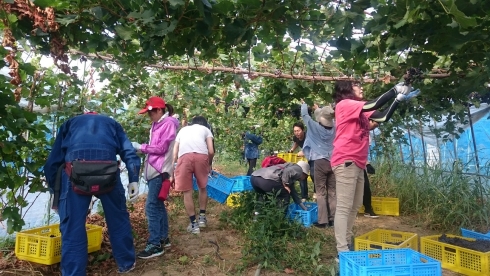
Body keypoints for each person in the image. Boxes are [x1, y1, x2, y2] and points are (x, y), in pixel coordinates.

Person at [44, 112, 141, 275]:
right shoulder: (112, 124)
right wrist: (133, 178)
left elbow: (52, 162)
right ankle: (126, 264)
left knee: (73, 226)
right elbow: (128, 151)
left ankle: (74, 272)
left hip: (75, 174)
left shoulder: (69, 124)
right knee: (118, 219)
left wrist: (55, 192)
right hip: (108, 173)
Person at [331, 80, 420, 257]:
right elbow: (374, 103)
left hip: (358, 161)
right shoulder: (345, 104)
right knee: (344, 207)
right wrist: (394, 90)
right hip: (346, 159)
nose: (361, 87)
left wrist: (397, 100)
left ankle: (347, 242)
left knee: (355, 205)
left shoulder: (360, 110)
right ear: (347, 89)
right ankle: (342, 250)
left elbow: (382, 117)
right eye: (357, 85)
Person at [131, 96, 179, 259]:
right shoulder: (158, 123)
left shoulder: (168, 123)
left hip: (160, 170)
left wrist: (140, 147)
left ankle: (155, 244)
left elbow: (161, 148)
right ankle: (163, 239)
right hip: (155, 170)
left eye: (151, 112)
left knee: (151, 206)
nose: (149, 116)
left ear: (159, 110)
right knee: (158, 206)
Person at [173, 116, 214, 234]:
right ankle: (202, 218)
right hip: (202, 157)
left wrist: (172, 166)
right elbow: (211, 151)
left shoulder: (183, 130)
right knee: (202, 187)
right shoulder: (206, 130)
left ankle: (194, 225)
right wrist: (209, 164)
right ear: (205, 124)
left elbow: (175, 151)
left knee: (187, 191)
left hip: (184, 157)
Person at [299, 101, 336, 228]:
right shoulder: (335, 127)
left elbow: (305, 115)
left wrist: (304, 104)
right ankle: (333, 220)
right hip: (332, 161)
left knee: (320, 192)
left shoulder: (314, 127)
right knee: (332, 191)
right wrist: (318, 109)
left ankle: (323, 221)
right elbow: (324, 116)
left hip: (319, 162)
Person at [288, 122, 316, 201]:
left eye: (298, 131)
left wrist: (304, 152)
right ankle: (304, 196)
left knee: (313, 174)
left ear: (303, 130)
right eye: (295, 131)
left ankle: (316, 192)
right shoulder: (296, 137)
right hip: (306, 158)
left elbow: (315, 147)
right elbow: (297, 142)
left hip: (315, 157)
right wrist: (292, 150)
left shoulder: (309, 137)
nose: (297, 133)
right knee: (301, 173)